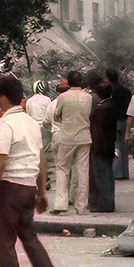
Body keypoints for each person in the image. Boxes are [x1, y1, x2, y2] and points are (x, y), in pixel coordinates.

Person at [0, 73, 67, 267]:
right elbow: (41, 158)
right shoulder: (29, 122)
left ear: (3, 97)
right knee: (29, 238)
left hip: (11, 188)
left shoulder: (5, 123)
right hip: (28, 187)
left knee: (3, 241)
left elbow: (0, 161)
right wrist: (42, 191)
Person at [51, 70, 92, 214]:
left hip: (67, 137)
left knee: (62, 169)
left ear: (68, 82)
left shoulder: (63, 97)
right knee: (83, 171)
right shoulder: (88, 97)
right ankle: (81, 206)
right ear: (81, 82)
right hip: (84, 136)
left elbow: (56, 116)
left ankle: (61, 204)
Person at [87, 79, 117, 212]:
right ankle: (109, 201)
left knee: (101, 175)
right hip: (109, 145)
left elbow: (97, 132)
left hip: (100, 146)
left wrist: (96, 146)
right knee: (108, 175)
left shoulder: (99, 111)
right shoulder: (111, 106)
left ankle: (104, 204)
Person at [107, 68, 132, 179]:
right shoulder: (126, 91)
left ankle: (116, 173)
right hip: (125, 120)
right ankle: (124, 172)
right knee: (124, 146)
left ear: (107, 78)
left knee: (115, 146)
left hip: (112, 120)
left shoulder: (108, 91)